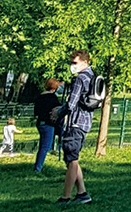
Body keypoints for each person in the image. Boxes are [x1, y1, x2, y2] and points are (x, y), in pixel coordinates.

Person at [56, 50, 96, 204]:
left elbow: (71, 104)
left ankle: (65, 197)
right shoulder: (93, 76)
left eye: (75, 63)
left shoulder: (80, 78)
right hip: (86, 122)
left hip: (75, 122)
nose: (72, 66)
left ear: (84, 62)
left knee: (71, 160)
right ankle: (82, 193)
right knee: (73, 158)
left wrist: (58, 113)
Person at [33, 78, 62, 173]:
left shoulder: (39, 97)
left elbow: (36, 111)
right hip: (48, 124)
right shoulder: (52, 98)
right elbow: (58, 110)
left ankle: (38, 166)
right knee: (45, 147)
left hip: (40, 123)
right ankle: (38, 168)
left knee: (43, 145)